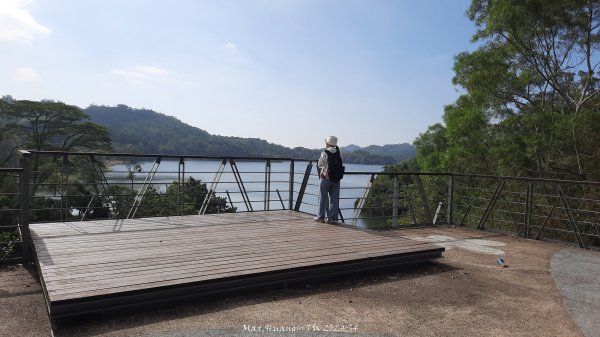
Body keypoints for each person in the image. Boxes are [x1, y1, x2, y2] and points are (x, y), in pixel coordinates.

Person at [315, 135, 342, 224]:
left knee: (323, 197)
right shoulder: (338, 152)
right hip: (336, 178)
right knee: (334, 199)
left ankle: (321, 217)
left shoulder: (325, 152)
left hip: (325, 178)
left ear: (327, 143)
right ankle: (331, 218)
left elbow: (319, 164)